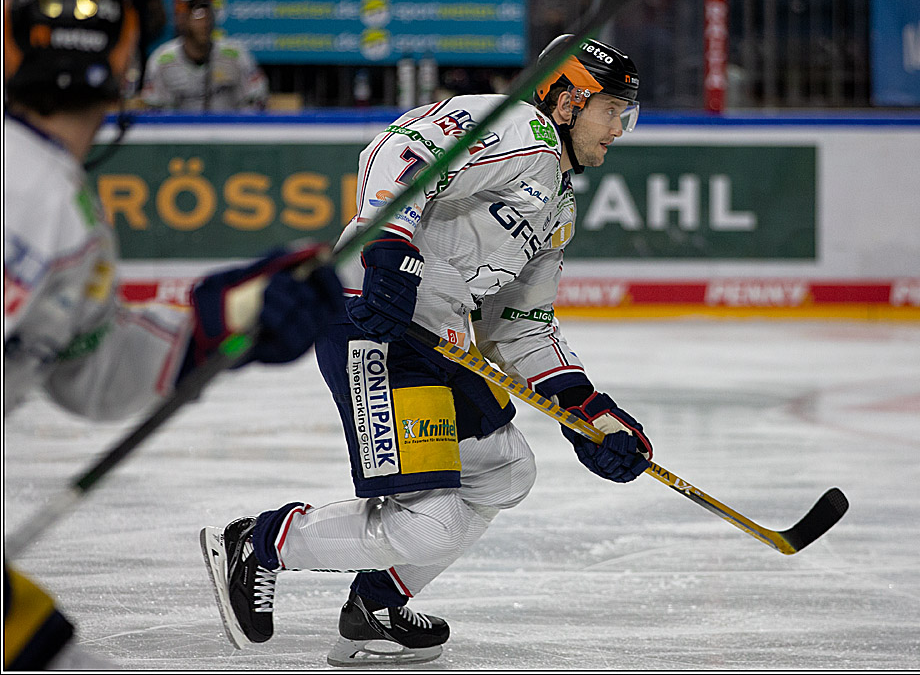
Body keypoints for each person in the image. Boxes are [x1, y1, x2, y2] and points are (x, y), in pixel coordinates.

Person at [200, 34, 649, 666]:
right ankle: (261, 541)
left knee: (506, 471)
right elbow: (398, 148)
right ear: (571, 98)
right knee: (427, 522)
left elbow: (519, 323)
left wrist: (589, 411)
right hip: (372, 324)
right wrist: (390, 243)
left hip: (440, 338)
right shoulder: (516, 125)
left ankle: (378, 604)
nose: (620, 129)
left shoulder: (559, 204)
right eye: (614, 110)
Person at [3, 0, 345, 669]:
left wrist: (222, 322)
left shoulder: (66, 209)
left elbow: (89, 372)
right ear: (128, 66)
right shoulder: (42, 198)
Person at [140, 0, 268, 111]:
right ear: (181, 17)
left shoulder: (235, 55)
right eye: (197, 13)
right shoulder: (162, 60)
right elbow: (156, 115)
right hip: (179, 133)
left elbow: (255, 103)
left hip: (230, 131)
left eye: (209, 12)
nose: (205, 21)